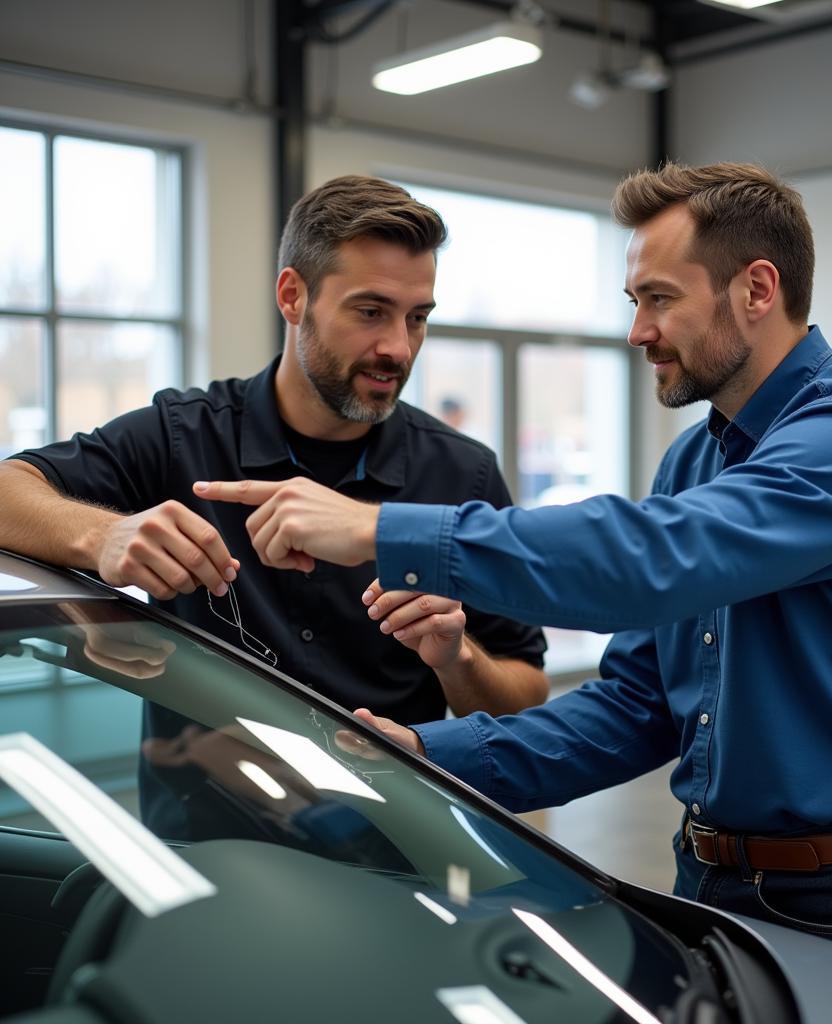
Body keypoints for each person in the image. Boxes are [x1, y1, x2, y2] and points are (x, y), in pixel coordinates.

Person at [194, 163, 832, 972]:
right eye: (636, 303)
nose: (638, 332)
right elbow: (638, 706)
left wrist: (381, 530)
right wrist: (423, 758)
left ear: (757, 289)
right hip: (710, 876)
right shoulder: (698, 459)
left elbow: (647, 561)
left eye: (659, 298)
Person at [0, 175, 548, 727]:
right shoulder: (182, 437)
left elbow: (525, 695)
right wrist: (102, 537)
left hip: (391, 811)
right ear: (292, 296)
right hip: (205, 807)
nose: (398, 348)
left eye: (417, 317)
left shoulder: (464, 474)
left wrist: (458, 659)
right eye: (370, 311)